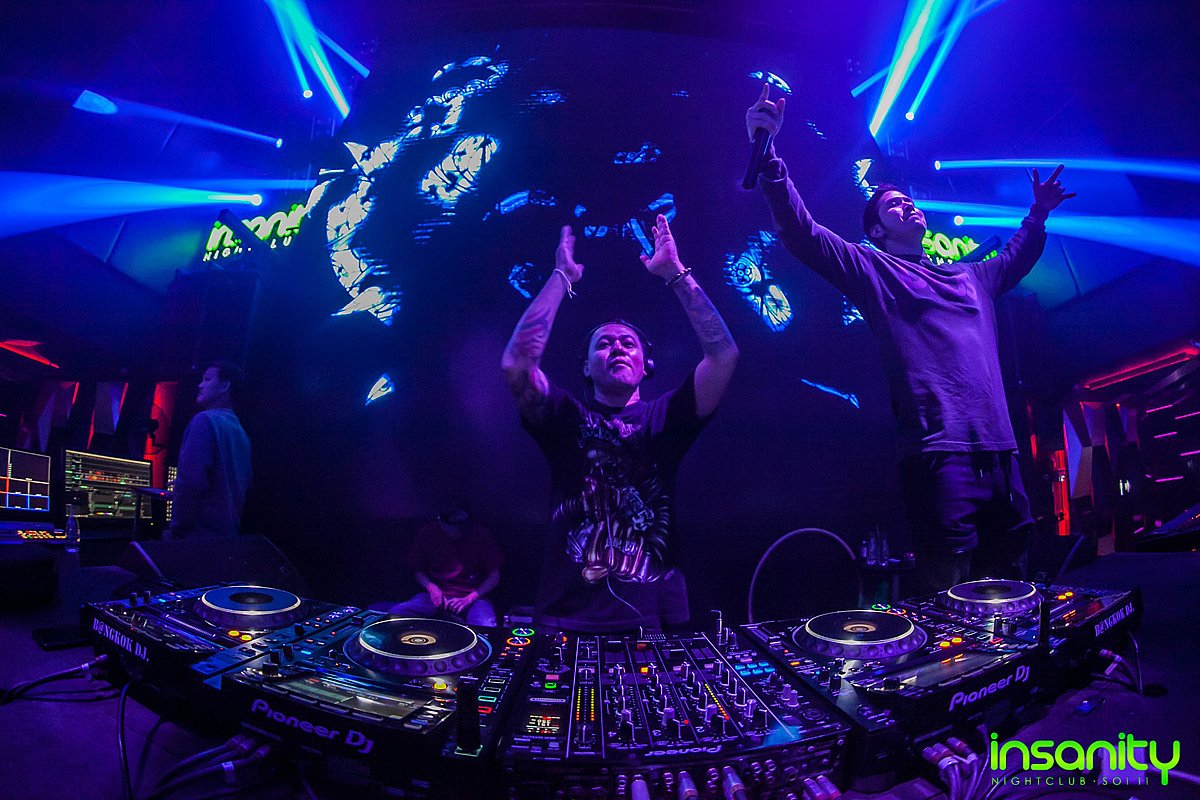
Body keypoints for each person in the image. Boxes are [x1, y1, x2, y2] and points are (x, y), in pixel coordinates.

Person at [745, 85, 1076, 594]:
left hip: (1001, 453)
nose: (909, 206)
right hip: (937, 454)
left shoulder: (970, 277)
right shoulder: (874, 269)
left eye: (909, 201)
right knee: (949, 589)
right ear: (876, 231)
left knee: (1010, 584)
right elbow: (803, 234)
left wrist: (1037, 214)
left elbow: (1016, 257)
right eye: (895, 205)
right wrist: (769, 157)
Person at [502, 216, 738, 632]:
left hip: (650, 621)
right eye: (604, 344)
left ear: (646, 365)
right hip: (564, 619)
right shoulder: (567, 418)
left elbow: (723, 356)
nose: (617, 348)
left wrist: (675, 273)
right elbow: (518, 365)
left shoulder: (665, 418)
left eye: (628, 343)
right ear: (586, 367)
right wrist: (561, 277)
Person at [169, 361, 252, 539]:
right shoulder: (240, 432)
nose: (200, 385)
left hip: (197, 537)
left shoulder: (204, 420)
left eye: (207, 379)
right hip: (226, 538)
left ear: (224, 386)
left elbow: (192, 484)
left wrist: (178, 526)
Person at [387, 508, 503, 627]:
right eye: (452, 527)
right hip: (435, 596)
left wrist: (470, 598)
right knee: (395, 615)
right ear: (441, 522)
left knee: (485, 627)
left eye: (460, 527)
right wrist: (431, 588)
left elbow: (494, 576)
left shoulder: (481, 535)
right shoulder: (429, 532)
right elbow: (417, 570)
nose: (456, 531)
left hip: (474, 598)